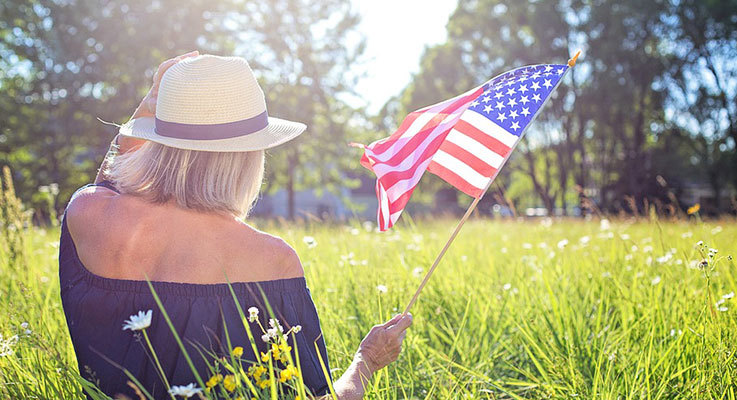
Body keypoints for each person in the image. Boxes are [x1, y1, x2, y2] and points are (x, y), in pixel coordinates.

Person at [59, 51, 412, 399]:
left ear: (157, 139)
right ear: (248, 158)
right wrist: (365, 361)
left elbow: (109, 181)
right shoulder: (272, 260)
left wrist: (149, 108)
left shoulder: (87, 212)